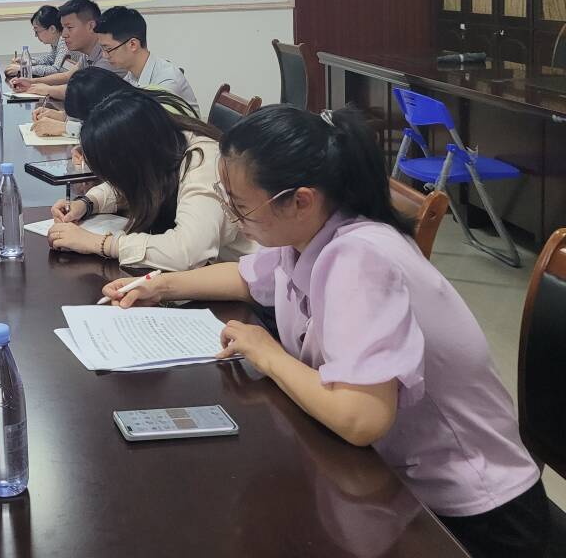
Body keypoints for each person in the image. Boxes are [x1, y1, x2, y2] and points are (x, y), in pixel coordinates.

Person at [101, 106, 549, 558]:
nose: (234, 218)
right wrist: (161, 286)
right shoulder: (309, 234)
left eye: (240, 206)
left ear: (300, 200)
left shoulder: (360, 258)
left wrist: (268, 354)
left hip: (472, 517)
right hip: (393, 484)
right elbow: (246, 276)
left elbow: (361, 417)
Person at [46, 90, 255, 270]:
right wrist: (87, 203)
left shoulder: (202, 165)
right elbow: (129, 183)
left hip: (247, 284)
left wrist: (100, 244)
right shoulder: (165, 143)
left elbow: (188, 252)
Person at [9, 0, 127, 101]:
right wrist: (32, 82)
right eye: (63, 27)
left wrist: (46, 89)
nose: (64, 34)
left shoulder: (109, 53)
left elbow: (85, 91)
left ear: (91, 26)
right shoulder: (87, 52)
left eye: (69, 27)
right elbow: (68, 76)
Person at [30, 68, 199, 139]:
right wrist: (63, 116)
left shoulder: (139, 115)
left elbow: (116, 134)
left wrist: (65, 127)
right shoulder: (142, 93)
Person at [93, 5, 198, 111]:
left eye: (108, 49)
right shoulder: (131, 76)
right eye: (102, 49)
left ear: (133, 44)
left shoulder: (166, 81)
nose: (104, 55)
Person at [5, 5, 69, 78]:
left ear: (52, 29)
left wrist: (23, 68)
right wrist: (27, 62)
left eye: (37, 31)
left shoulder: (64, 42)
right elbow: (50, 58)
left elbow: (55, 70)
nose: (36, 35)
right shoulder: (57, 41)